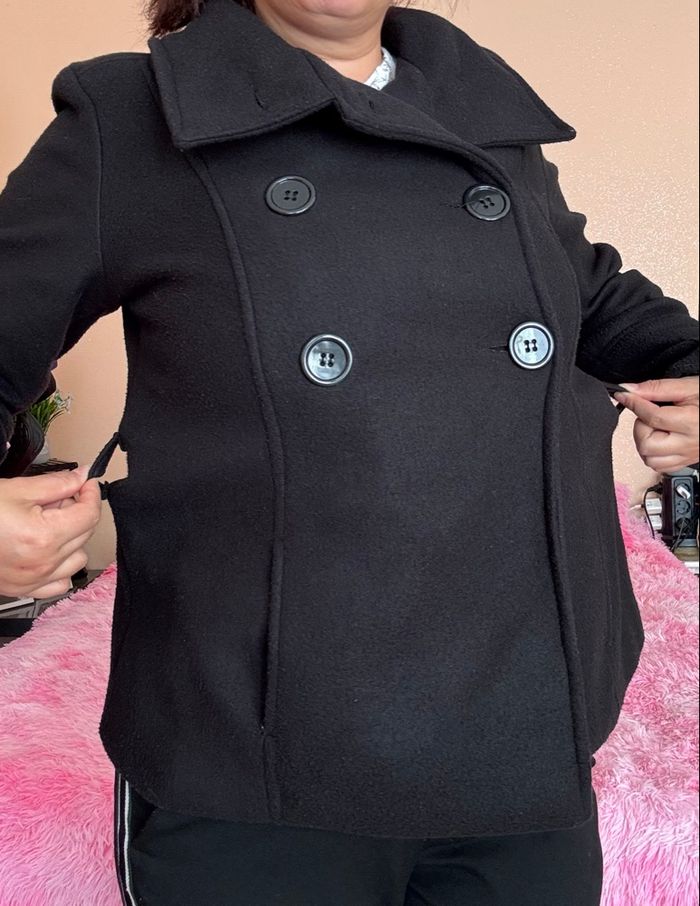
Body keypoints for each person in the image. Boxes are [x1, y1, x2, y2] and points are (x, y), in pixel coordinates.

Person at [0, 0, 698, 903]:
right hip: (252, 764)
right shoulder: (135, 114)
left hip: (520, 728)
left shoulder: (476, 106)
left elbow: (585, 292)